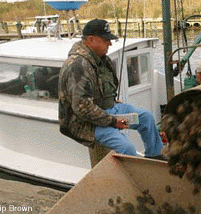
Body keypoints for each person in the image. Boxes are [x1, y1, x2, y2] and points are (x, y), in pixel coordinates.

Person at [58, 19, 163, 158]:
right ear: (91, 40)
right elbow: (81, 107)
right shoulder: (78, 65)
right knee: (127, 148)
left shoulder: (101, 59)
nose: (110, 43)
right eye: (106, 39)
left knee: (146, 118)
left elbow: (103, 88)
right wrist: (113, 121)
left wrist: (112, 101)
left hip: (109, 109)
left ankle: (154, 157)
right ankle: (130, 177)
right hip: (87, 122)